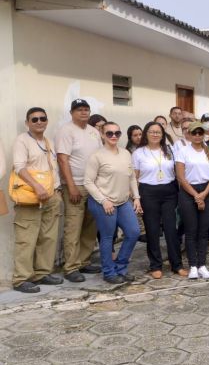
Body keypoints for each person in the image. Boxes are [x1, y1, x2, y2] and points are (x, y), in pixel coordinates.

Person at [11, 107, 63, 293]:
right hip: (31, 197)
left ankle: (42, 272)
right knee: (26, 238)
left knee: (48, 237)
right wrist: (37, 186)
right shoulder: (22, 141)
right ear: (27, 123)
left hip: (51, 196)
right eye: (34, 119)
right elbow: (19, 167)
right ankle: (21, 278)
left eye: (42, 118)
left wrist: (56, 191)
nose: (39, 122)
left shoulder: (48, 142)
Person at [84, 122, 142, 284]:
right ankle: (109, 272)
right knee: (108, 237)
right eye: (109, 133)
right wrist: (103, 201)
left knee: (133, 232)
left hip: (123, 201)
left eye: (117, 133)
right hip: (103, 202)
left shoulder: (125, 153)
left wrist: (136, 197)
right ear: (102, 135)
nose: (113, 136)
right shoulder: (96, 156)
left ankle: (121, 267)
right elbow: (88, 182)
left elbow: (131, 177)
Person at [56, 99, 103, 282]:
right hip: (75, 185)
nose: (83, 113)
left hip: (93, 185)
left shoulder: (93, 132)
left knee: (90, 226)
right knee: (73, 227)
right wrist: (71, 186)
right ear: (71, 113)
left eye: (86, 109)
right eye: (79, 110)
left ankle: (84, 261)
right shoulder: (66, 131)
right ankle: (71, 267)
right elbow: (62, 160)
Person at [133, 121, 185, 278]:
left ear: (163, 135)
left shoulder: (168, 150)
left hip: (169, 192)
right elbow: (134, 177)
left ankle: (177, 264)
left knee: (171, 230)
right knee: (153, 230)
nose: (155, 134)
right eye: (151, 131)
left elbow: (177, 172)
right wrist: (136, 197)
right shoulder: (138, 153)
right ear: (146, 134)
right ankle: (155, 265)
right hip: (148, 192)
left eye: (158, 132)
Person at [175, 121, 209, 280]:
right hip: (188, 191)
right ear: (189, 134)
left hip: (206, 190)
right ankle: (193, 265)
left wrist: (204, 194)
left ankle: (202, 264)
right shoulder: (182, 151)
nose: (198, 136)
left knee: (203, 231)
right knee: (191, 230)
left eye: (200, 133)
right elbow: (180, 176)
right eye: (194, 133)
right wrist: (196, 195)